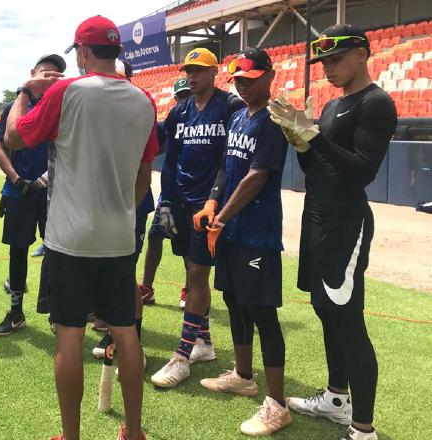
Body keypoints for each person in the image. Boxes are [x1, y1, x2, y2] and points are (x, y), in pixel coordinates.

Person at [4, 15, 158, 440]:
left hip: (70, 238)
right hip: (118, 235)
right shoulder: (144, 100)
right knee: (126, 332)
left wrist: (26, 89)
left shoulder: (64, 91)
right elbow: (144, 177)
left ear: (84, 53)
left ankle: (71, 436)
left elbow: (15, 136)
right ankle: (135, 431)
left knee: (69, 334)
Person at [269, 24, 397, 440]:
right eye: (323, 61)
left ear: (362, 53)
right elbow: (316, 170)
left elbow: (362, 170)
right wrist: (302, 144)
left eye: (335, 59)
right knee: (325, 311)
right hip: (317, 217)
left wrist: (315, 137)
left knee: (347, 321)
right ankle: (337, 399)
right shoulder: (331, 106)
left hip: (345, 224)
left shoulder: (376, 103)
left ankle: (363, 429)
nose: (328, 67)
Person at [198, 47, 291, 436]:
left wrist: (221, 217)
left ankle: (277, 405)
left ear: (269, 77)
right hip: (231, 231)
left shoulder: (274, 121)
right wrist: (212, 199)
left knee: (262, 312)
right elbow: (226, 166)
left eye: (251, 81)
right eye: (238, 81)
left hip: (257, 233)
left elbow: (256, 177)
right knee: (234, 302)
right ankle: (242, 375)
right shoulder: (238, 116)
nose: (245, 88)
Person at [151, 48, 244, 389]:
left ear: (213, 72)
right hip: (181, 202)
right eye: (188, 70)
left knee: (198, 275)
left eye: (199, 70)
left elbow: (230, 159)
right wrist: (167, 200)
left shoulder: (230, 107)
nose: (192, 76)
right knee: (191, 271)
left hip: (211, 206)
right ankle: (203, 343)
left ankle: (183, 354)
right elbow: (170, 158)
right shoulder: (179, 111)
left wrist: (215, 199)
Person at [0, 54, 66, 337]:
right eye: (45, 73)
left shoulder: (63, 105)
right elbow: (1, 146)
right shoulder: (15, 107)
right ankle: (15, 311)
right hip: (19, 191)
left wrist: (47, 177)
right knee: (18, 250)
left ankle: (56, 311)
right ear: (32, 73)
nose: (49, 79)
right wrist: (16, 178)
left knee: (57, 251)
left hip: (54, 192)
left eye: (56, 75)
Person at [92, 59, 156, 362]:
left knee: (124, 273)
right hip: (105, 206)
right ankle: (113, 330)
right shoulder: (103, 112)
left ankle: (135, 343)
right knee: (108, 271)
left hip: (131, 205)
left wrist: (125, 208)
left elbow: (145, 171)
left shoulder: (140, 109)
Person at [139, 77, 191, 307]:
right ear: (175, 99)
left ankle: (190, 290)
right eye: (181, 96)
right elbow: (152, 146)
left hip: (192, 195)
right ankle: (147, 288)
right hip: (169, 193)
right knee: (155, 237)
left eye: (188, 95)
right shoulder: (170, 122)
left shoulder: (203, 122)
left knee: (189, 248)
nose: (184, 100)